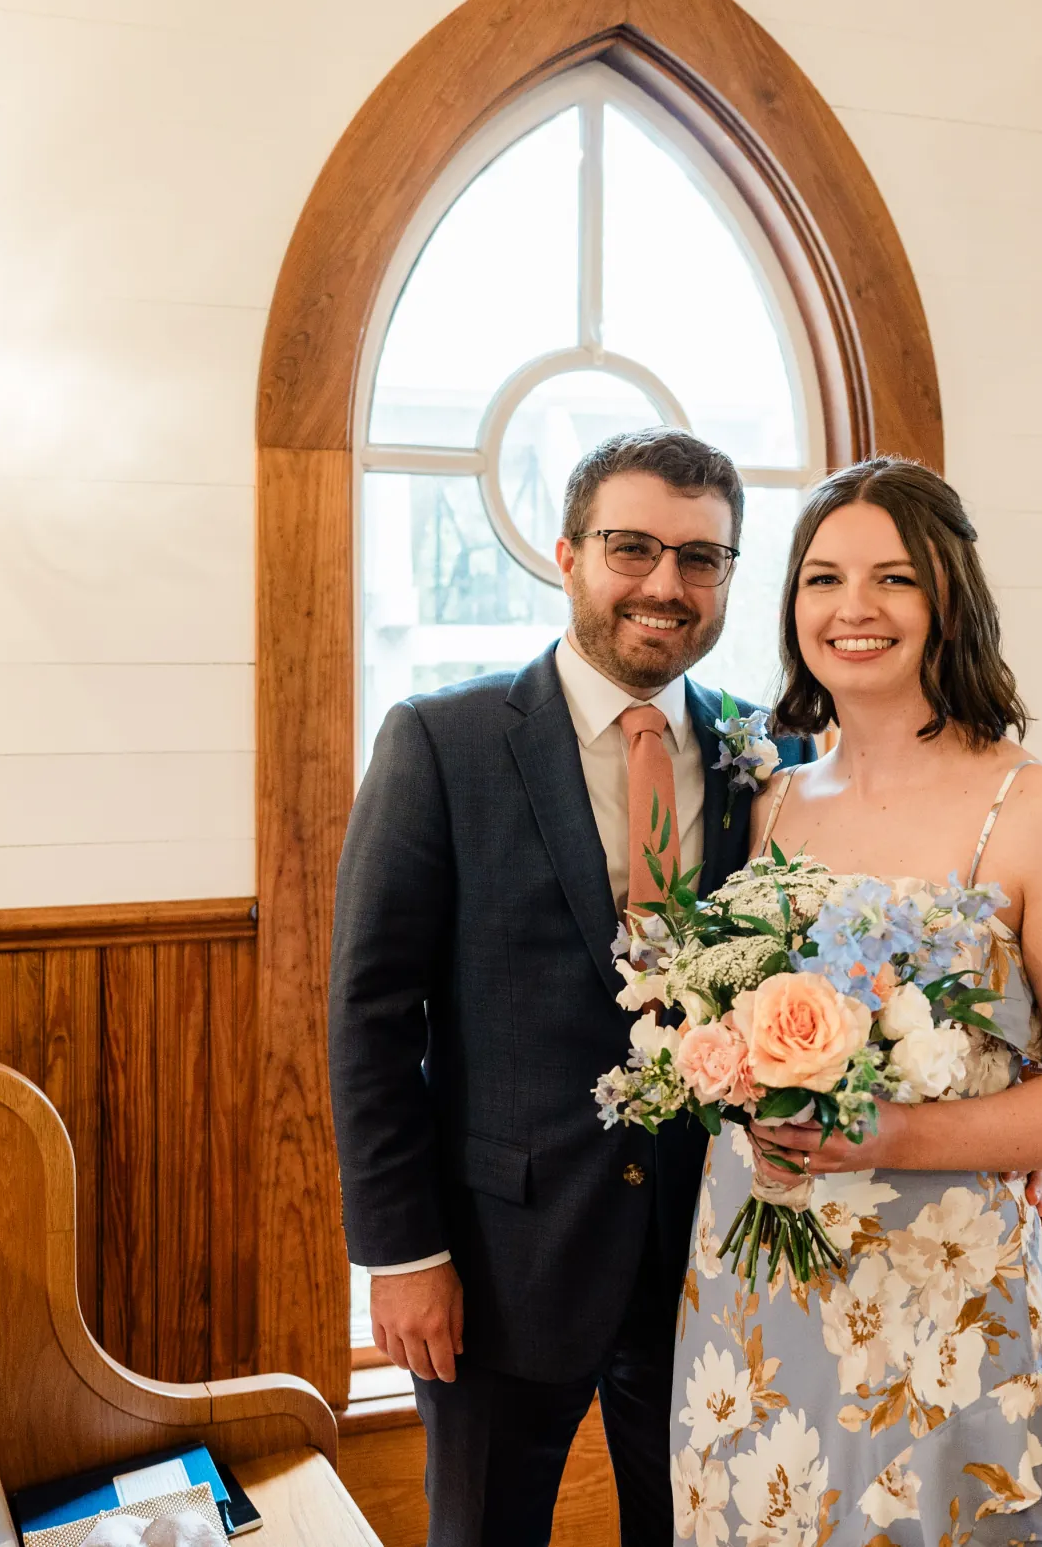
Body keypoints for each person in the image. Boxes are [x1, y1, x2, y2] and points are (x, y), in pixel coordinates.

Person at [329, 429, 811, 1547]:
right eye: (631, 547)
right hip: (501, 1259)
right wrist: (402, 1256)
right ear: (567, 555)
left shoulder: (765, 756)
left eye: (701, 557)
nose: (664, 584)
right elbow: (370, 1018)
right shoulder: (441, 742)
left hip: (707, 1255)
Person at [669, 455, 1042, 1547]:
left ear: (950, 601)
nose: (855, 608)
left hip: (935, 1293)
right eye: (823, 578)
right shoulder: (771, 800)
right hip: (755, 1275)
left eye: (894, 578)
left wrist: (894, 1132)